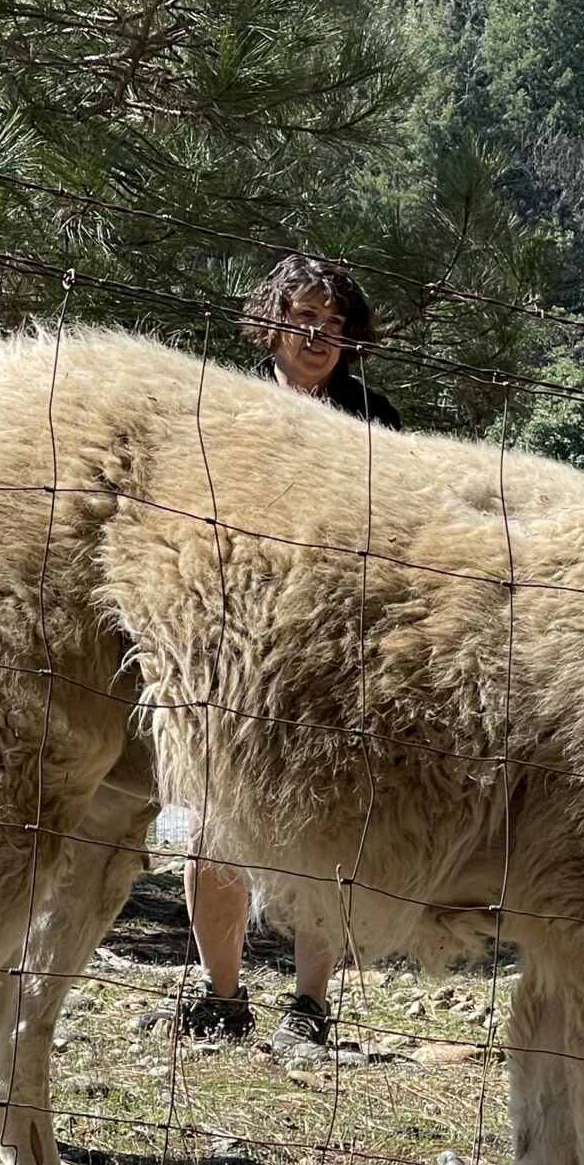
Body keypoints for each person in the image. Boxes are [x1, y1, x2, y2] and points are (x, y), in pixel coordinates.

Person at [180, 255, 401, 1047]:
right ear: (270, 321)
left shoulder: (376, 420)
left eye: (336, 326)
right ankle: (222, 998)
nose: (320, 337)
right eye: (305, 318)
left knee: (327, 829)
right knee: (216, 820)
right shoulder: (219, 408)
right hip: (231, 641)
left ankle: (309, 1007)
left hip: (338, 651)